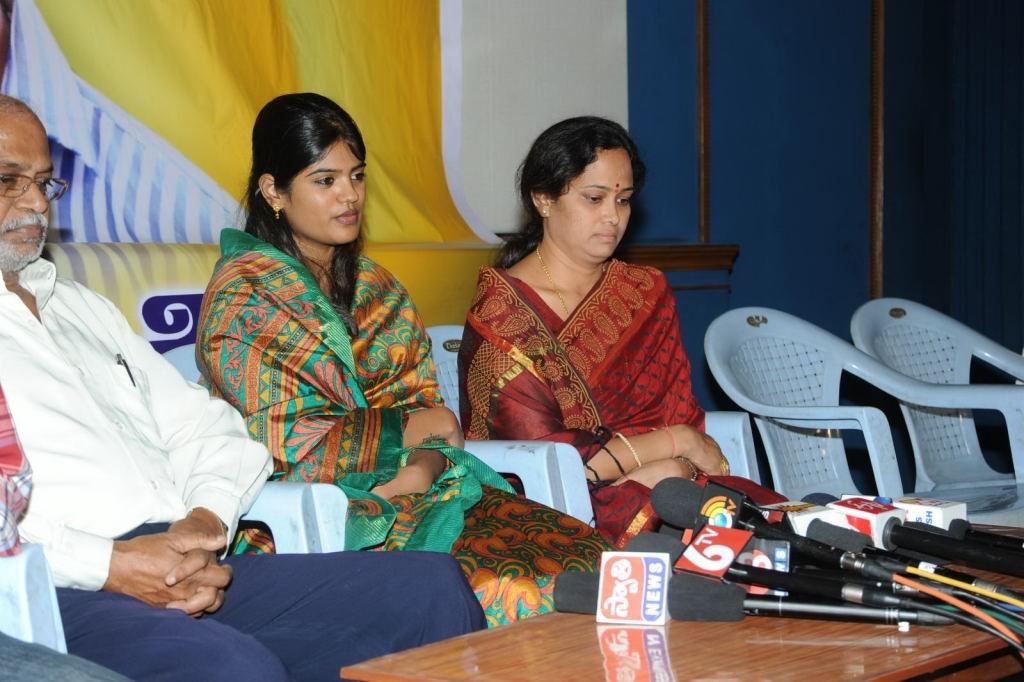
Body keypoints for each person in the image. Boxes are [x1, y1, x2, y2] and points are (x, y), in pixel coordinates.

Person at [0, 94, 484, 681]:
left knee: (428, 590)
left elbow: (211, 428)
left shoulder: (82, 308)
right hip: (55, 583)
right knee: (234, 666)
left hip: (184, 554)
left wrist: (205, 518)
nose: (33, 204)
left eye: (45, 184)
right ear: (273, 191)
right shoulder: (246, 291)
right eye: (9, 181)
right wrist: (111, 565)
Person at [197, 93, 610, 626]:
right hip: (311, 516)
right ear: (274, 190)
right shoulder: (245, 297)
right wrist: (417, 439)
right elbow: (283, 443)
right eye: (325, 181)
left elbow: (430, 413)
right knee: (522, 590)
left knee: (591, 560)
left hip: (428, 488)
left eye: (357, 176)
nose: (349, 196)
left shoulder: (378, 288)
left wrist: (421, 466)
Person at [459, 116, 782, 546]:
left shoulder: (642, 292)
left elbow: (680, 415)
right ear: (543, 199)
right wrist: (673, 444)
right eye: (594, 198)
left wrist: (671, 458)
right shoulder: (501, 315)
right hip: (549, 508)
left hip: (670, 481)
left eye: (624, 200)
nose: (612, 217)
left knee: (785, 529)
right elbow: (546, 461)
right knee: (709, 517)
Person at [0, 385, 130, 682]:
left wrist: (206, 516)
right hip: (77, 568)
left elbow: (12, 477)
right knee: (223, 658)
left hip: (167, 536)